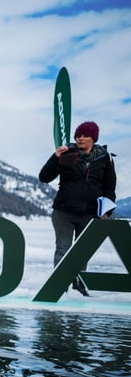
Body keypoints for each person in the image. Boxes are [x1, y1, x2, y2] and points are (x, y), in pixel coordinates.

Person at [38, 121, 117, 296]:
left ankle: (78, 287)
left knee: (82, 252)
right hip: (64, 211)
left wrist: (107, 210)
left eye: (85, 135)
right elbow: (44, 177)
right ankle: (60, 287)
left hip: (90, 213)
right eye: (78, 135)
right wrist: (55, 157)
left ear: (93, 138)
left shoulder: (105, 159)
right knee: (63, 248)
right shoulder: (69, 154)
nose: (80, 138)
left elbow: (109, 188)